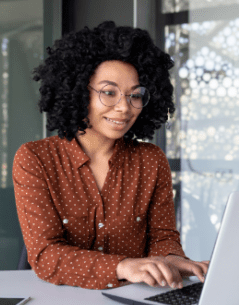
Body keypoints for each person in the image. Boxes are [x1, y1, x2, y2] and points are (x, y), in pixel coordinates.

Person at [12, 21, 208, 290]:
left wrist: (173, 260)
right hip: (60, 301)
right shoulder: (36, 159)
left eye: (134, 96)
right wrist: (122, 266)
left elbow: (163, 237)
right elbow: (46, 255)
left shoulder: (151, 160)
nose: (124, 108)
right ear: (80, 92)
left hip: (134, 301)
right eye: (108, 92)